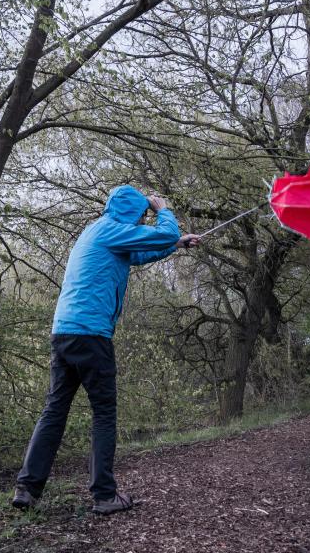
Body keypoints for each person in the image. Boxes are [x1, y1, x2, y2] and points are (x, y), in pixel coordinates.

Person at [12, 185, 201, 515]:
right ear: (133, 212)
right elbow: (159, 233)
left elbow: (141, 252)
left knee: (54, 410)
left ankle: (27, 489)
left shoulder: (99, 230)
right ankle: (104, 496)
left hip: (64, 332)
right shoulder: (114, 230)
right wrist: (163, 210)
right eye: (142, 214)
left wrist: (176, 244)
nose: (144, 219)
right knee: (103, 413)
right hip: (91, 335)